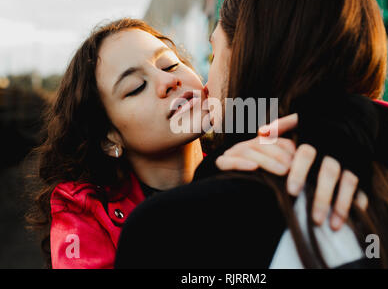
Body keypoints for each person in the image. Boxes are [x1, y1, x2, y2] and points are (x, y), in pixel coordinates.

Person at [114, 0, 388, 268]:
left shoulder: (172, 229)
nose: (203, 84)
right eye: (135, 87)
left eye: (214, 53)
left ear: (248, 57)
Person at [26, 19, 359, 269]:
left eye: (170, 64)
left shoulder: (247, 150)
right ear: (109, 136)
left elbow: (310, 108)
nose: (169, 82)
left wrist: (348, 125)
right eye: (136, 87)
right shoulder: (84, 209)